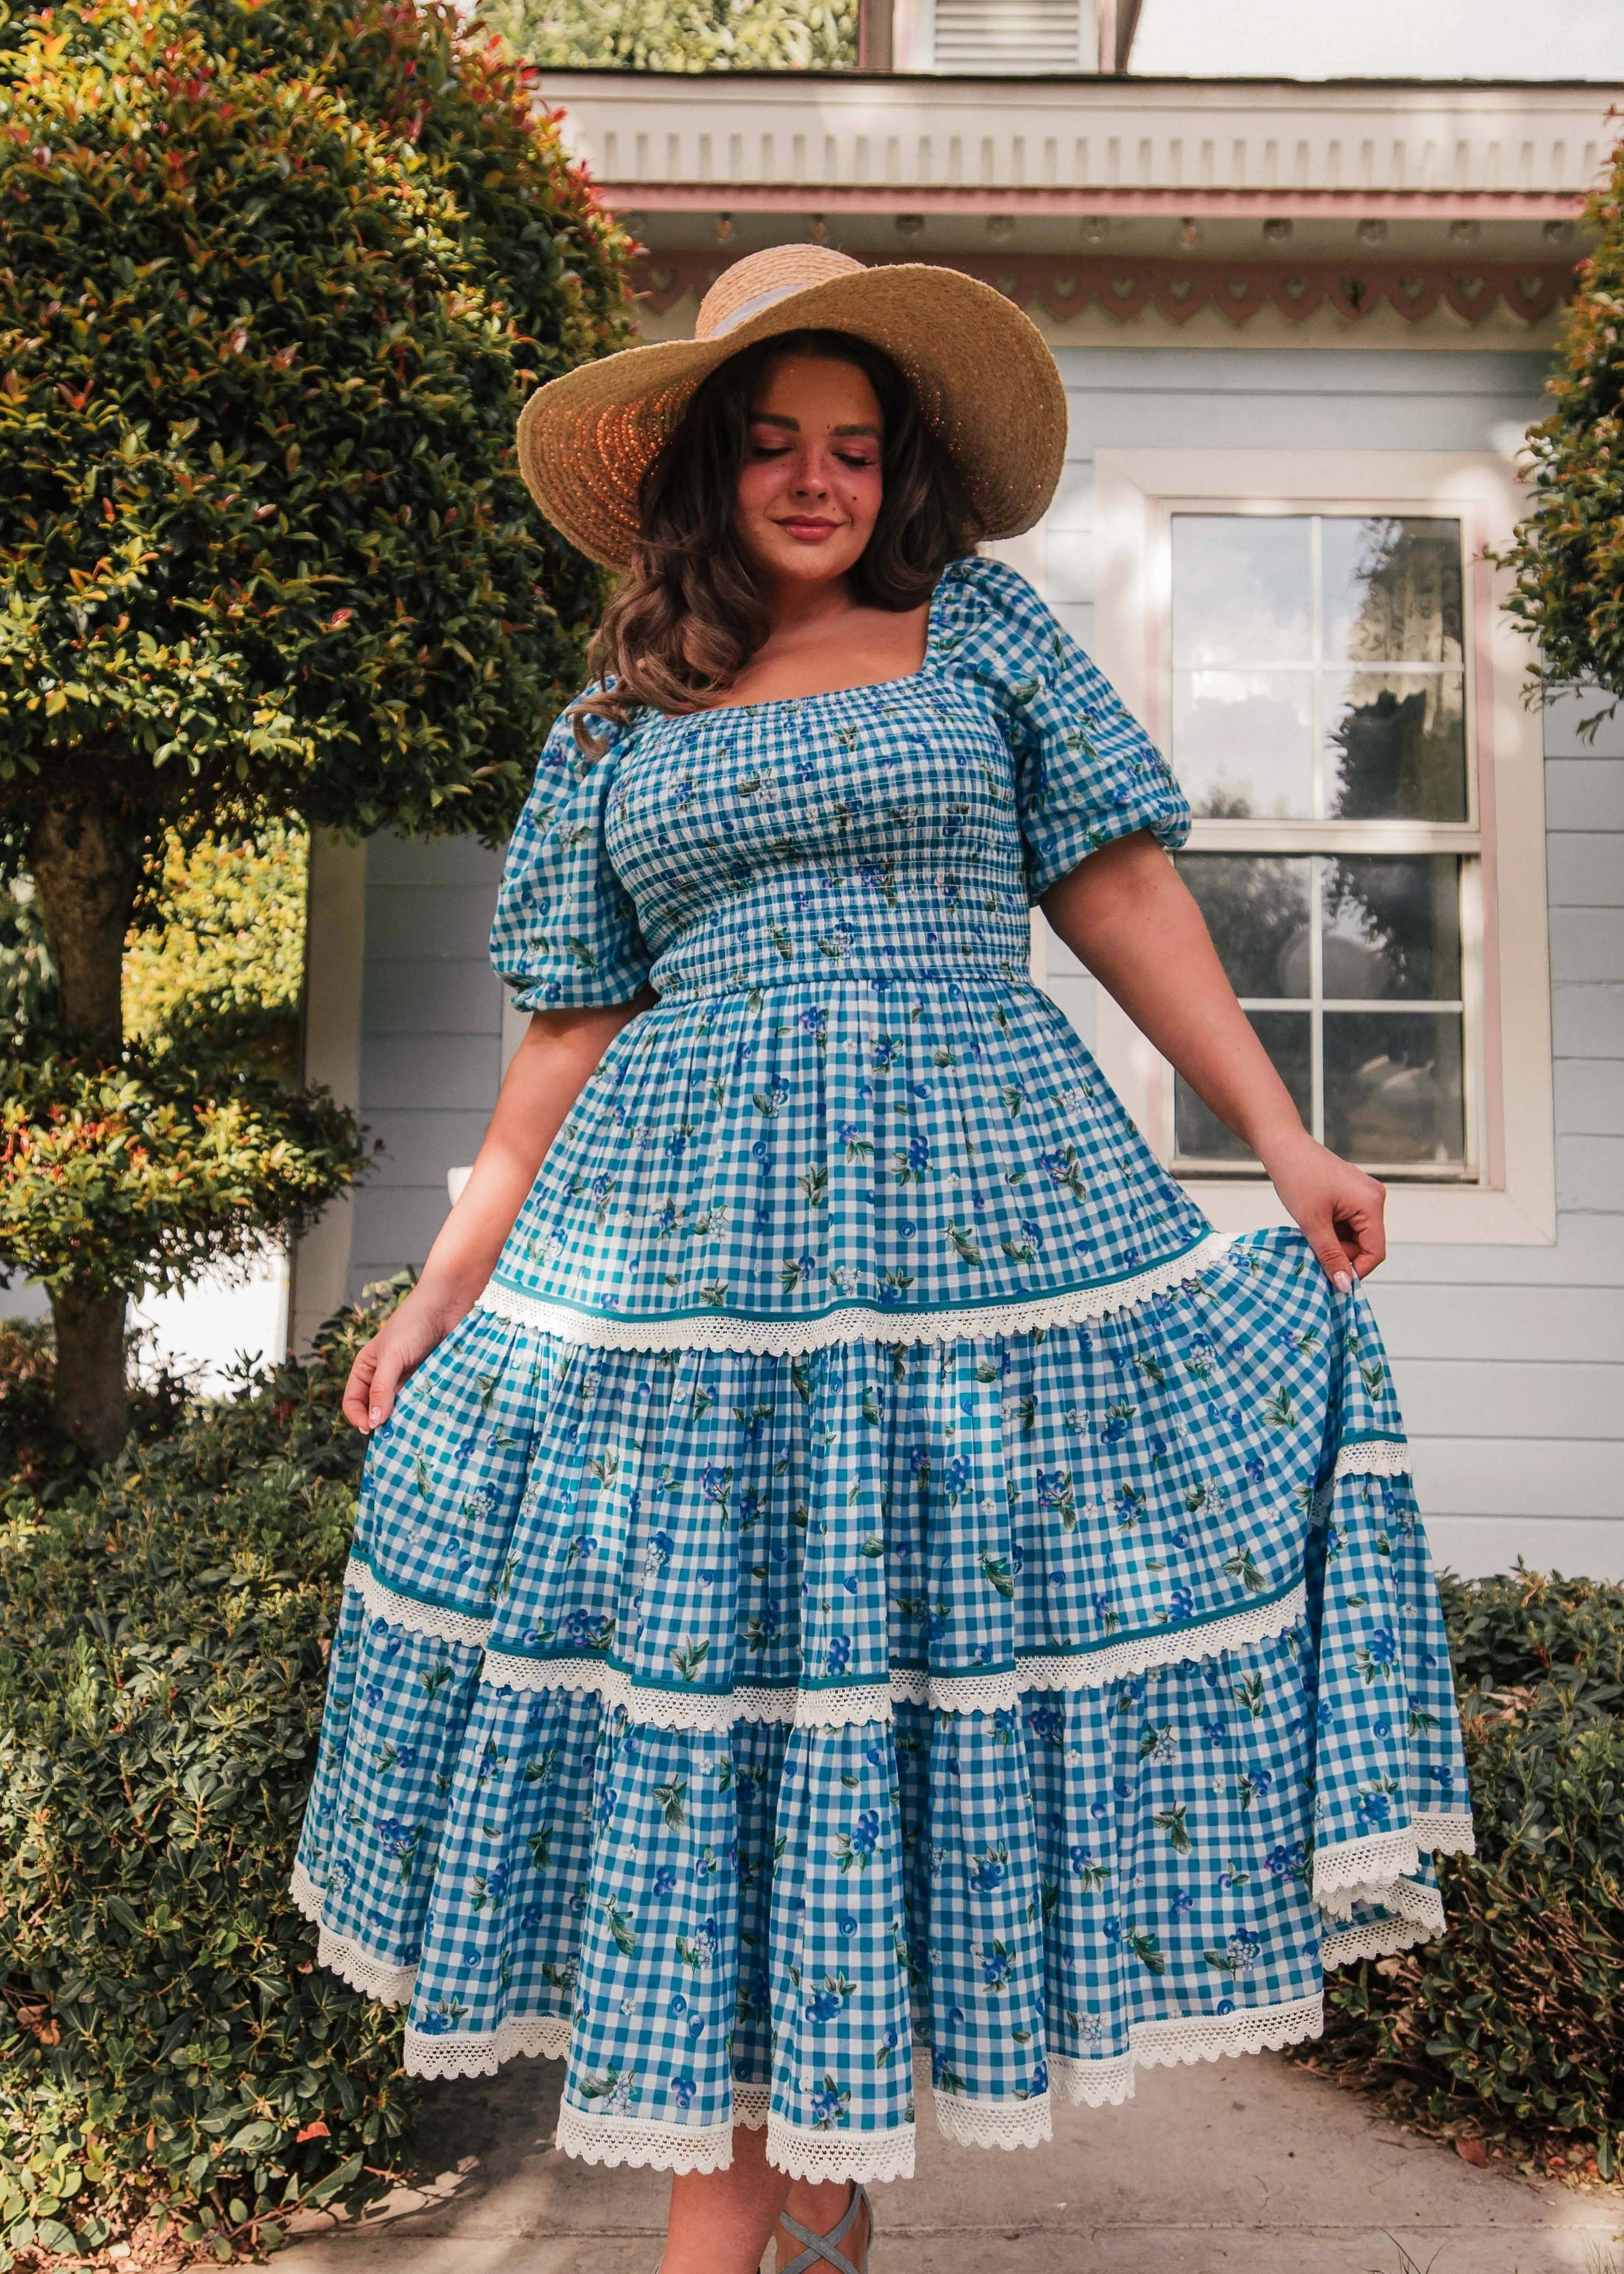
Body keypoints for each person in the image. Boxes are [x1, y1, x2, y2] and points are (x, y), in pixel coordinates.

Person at [291, 246, 1472, 2274]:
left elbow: (1119, 890)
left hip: (971, 1236)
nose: (816, 480)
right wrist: (439, 1288)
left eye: (851, 446)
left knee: (896, 1688)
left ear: (897, 467)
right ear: (707, 470)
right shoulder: (614, 722)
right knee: (737, 1695)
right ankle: (802, 2196)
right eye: (773, 444)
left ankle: (801, 2195)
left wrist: (1283, 1139)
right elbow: (557, 1041)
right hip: (689, 1274)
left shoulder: (979, 631)